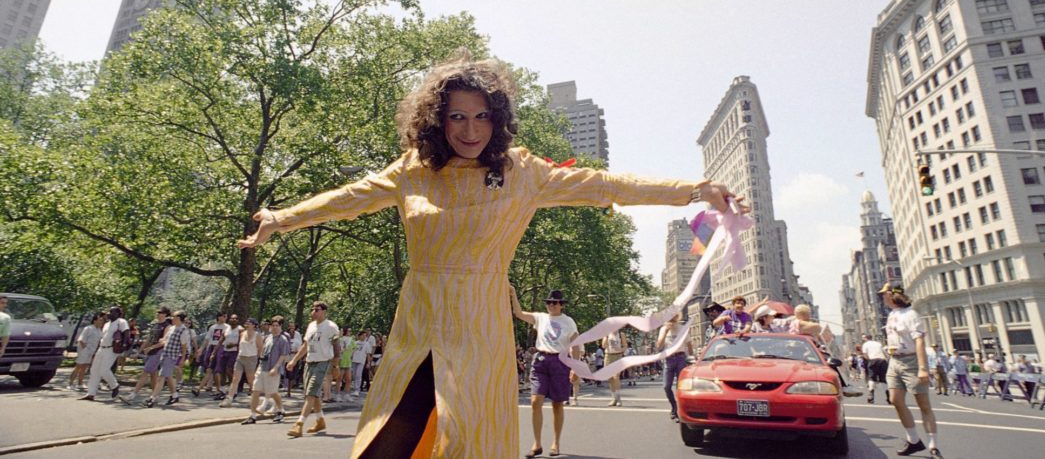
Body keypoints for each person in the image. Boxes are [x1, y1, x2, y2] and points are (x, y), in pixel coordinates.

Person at [238, 55, 746, 457]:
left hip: (479, 327)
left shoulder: (524, 172)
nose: (470, 129)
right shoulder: (414, 169)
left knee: (470, 439)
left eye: (482, 116)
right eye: (457, 116)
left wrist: (694, 190)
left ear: (497, 120)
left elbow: (604, 185)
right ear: (437, 120)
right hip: (416, 323)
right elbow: (349, 198)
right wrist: (281, 218)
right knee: (388, 434)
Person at [511, 287, 580, 458]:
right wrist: (513, 293)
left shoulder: (568, 321)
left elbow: (576, 345)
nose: (552, 305)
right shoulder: (540, 318)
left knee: (557, 404)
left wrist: (575, 367)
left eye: (555, 303)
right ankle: (537, 444)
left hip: (560, 361)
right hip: (541, 360)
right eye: (549, 302)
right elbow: (518, 313)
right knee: (535, 401)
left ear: (561, 305)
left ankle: (555, 443)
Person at [881, 283, 942, 458]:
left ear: (893, 295)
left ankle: (933, 445)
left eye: (884, 294)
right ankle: (914, 440)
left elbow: (919, 341)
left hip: (912, 361)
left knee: (923, 405)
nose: (882, 297)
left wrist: (923, 368)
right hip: (894, 361)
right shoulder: (892, 315)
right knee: (895, 399)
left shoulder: (911, 314)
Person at [285, 301, 340, 438]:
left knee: (310, 394)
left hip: (323, 362)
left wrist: (335, 366)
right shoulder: (310, 326)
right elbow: (305, 346)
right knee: (313, 394)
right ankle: (320, 421)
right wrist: (294, 360)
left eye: (317, 309)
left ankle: (299, 424)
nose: (313, 312)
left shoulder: (331, 327)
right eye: (312, 309)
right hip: (310, 362)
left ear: (324, 311)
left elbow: (337, 348)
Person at [241, 315, 290, 425]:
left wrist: (275, 368)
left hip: (273, 369)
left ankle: (280, 410)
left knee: (273, 392)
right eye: (273, 325)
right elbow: (262, 350)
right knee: (255, 391)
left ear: (281, 326)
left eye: (277, 325)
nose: (275, 328)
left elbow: (283, 356)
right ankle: (253, 415)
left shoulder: (283, 340)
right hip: (262, 367)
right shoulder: (268, 337)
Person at [123, 307, 172, 404]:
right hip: (151, 351)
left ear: (165, 314)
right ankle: (154, 397)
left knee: (145, 372)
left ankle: (132, 395)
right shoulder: (155, 325)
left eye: (160, 312)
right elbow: (148, 339)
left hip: (158, 352)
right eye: (157, 312)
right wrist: (139, 351)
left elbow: (164, 342)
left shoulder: (167, 326)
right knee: (153, 374)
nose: (157, 313)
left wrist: (151, 348)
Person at [80, 306, 129, 401]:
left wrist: (124, 345)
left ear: (118, 314)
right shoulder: (107, 324)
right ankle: (91, 393)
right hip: (101, 349)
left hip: (111, 349)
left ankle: (114, 386)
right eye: (108, 312)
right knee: (94, 370)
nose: (108, 314)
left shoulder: (121, 322)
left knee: (104, 370)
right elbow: (103, 338)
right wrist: (97, 350)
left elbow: (126, 333)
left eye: (111, 312)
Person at [144, 310, 189, 407]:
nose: (172, 318)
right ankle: (174, 395)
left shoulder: (183, 330)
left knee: (161, 377)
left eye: (174, 317)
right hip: (164, 354)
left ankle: (153, 398)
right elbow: (164, 341)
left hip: (172, 356)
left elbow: (184, 346)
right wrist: (151, 347)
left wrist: (182, 359)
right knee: (168, 376)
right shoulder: (172, 328)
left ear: (179, 319)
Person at [220, 318, 262, 407]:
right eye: (246, 322)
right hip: (240, 358)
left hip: (251, 358)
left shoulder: (257, 335)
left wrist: (258, 359)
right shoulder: (242, 333)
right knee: (235, 379)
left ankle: (255, 399)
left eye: (249, 323)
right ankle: (229, 399)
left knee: (250, 380)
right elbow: (239, 345)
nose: (247, 324)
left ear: (254, 325)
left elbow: (260, 349)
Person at [656, 313, 689, 420]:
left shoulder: (682, 328)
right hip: (669, 359)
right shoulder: (663, 329)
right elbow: (658, 346)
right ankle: (674, 406)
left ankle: (680, 410)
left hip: (681, 358)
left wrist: (691, 358)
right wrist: (665, 332)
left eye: (674, 316)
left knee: (681, 386)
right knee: (666, 386)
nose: (671, 318)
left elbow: (689, 344)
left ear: (677, 317)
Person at [194, 312, 228, 397]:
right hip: (212, 347)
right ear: (218, 317)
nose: (225, 317)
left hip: (222, 347)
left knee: (218, 370)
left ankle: (218, 390)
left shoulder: (227, 327)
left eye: (225, 316)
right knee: (209, 369)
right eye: (223, 316)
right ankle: (199, 389)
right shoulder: (213, 327)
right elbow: (207, 339)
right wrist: (201, 349)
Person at [69, 312, 105, 391]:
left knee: (84, 367)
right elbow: (81, 340)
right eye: (100, 320)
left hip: (91, 351)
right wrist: (84, 350)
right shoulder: (88, 328)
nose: (101, 322)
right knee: (78, 366)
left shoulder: (99, 330)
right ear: (95, 321)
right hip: (84, 350)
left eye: (102, 321)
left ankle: (80, 383)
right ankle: (70, 383)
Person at [213, 314, 242, 399]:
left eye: (235, 318)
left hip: (234, 352)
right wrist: (214, 352)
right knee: (221, 371)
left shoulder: (240, 329)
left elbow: (242, 342)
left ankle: (233, 389)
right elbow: (220, 341)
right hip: (225, 351)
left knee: (229, 370)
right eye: (232, 318)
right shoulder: (227, 329)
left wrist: (234, 345)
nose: (233, 320)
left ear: (238, 320)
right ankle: (222, 390)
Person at [862, 333, 889, 404]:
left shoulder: (865, 344)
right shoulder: (878, 343)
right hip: (882, 360)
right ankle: (888, 396)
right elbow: (885, 353)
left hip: (873, 360)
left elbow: (865, 355)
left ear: (865, 338)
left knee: (872, 378)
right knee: (883, 379)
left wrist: (869, 361)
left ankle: (871, 395)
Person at [601, 329, 626, 406]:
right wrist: (606, 336)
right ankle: (613, 398)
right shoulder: (607, 334)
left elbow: (625, 346)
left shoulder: (621, 334)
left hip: (617, 356)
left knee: (616, 376)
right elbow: (603, 346)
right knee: (610, 378)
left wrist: (621, 350)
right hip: (608, 356)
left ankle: (618, 399)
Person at [0, 295, 11, 361]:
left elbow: (5, 335)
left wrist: (3, 348)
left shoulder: (5, 318)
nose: (5, 305)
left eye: (5, 303)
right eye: (2, 303)